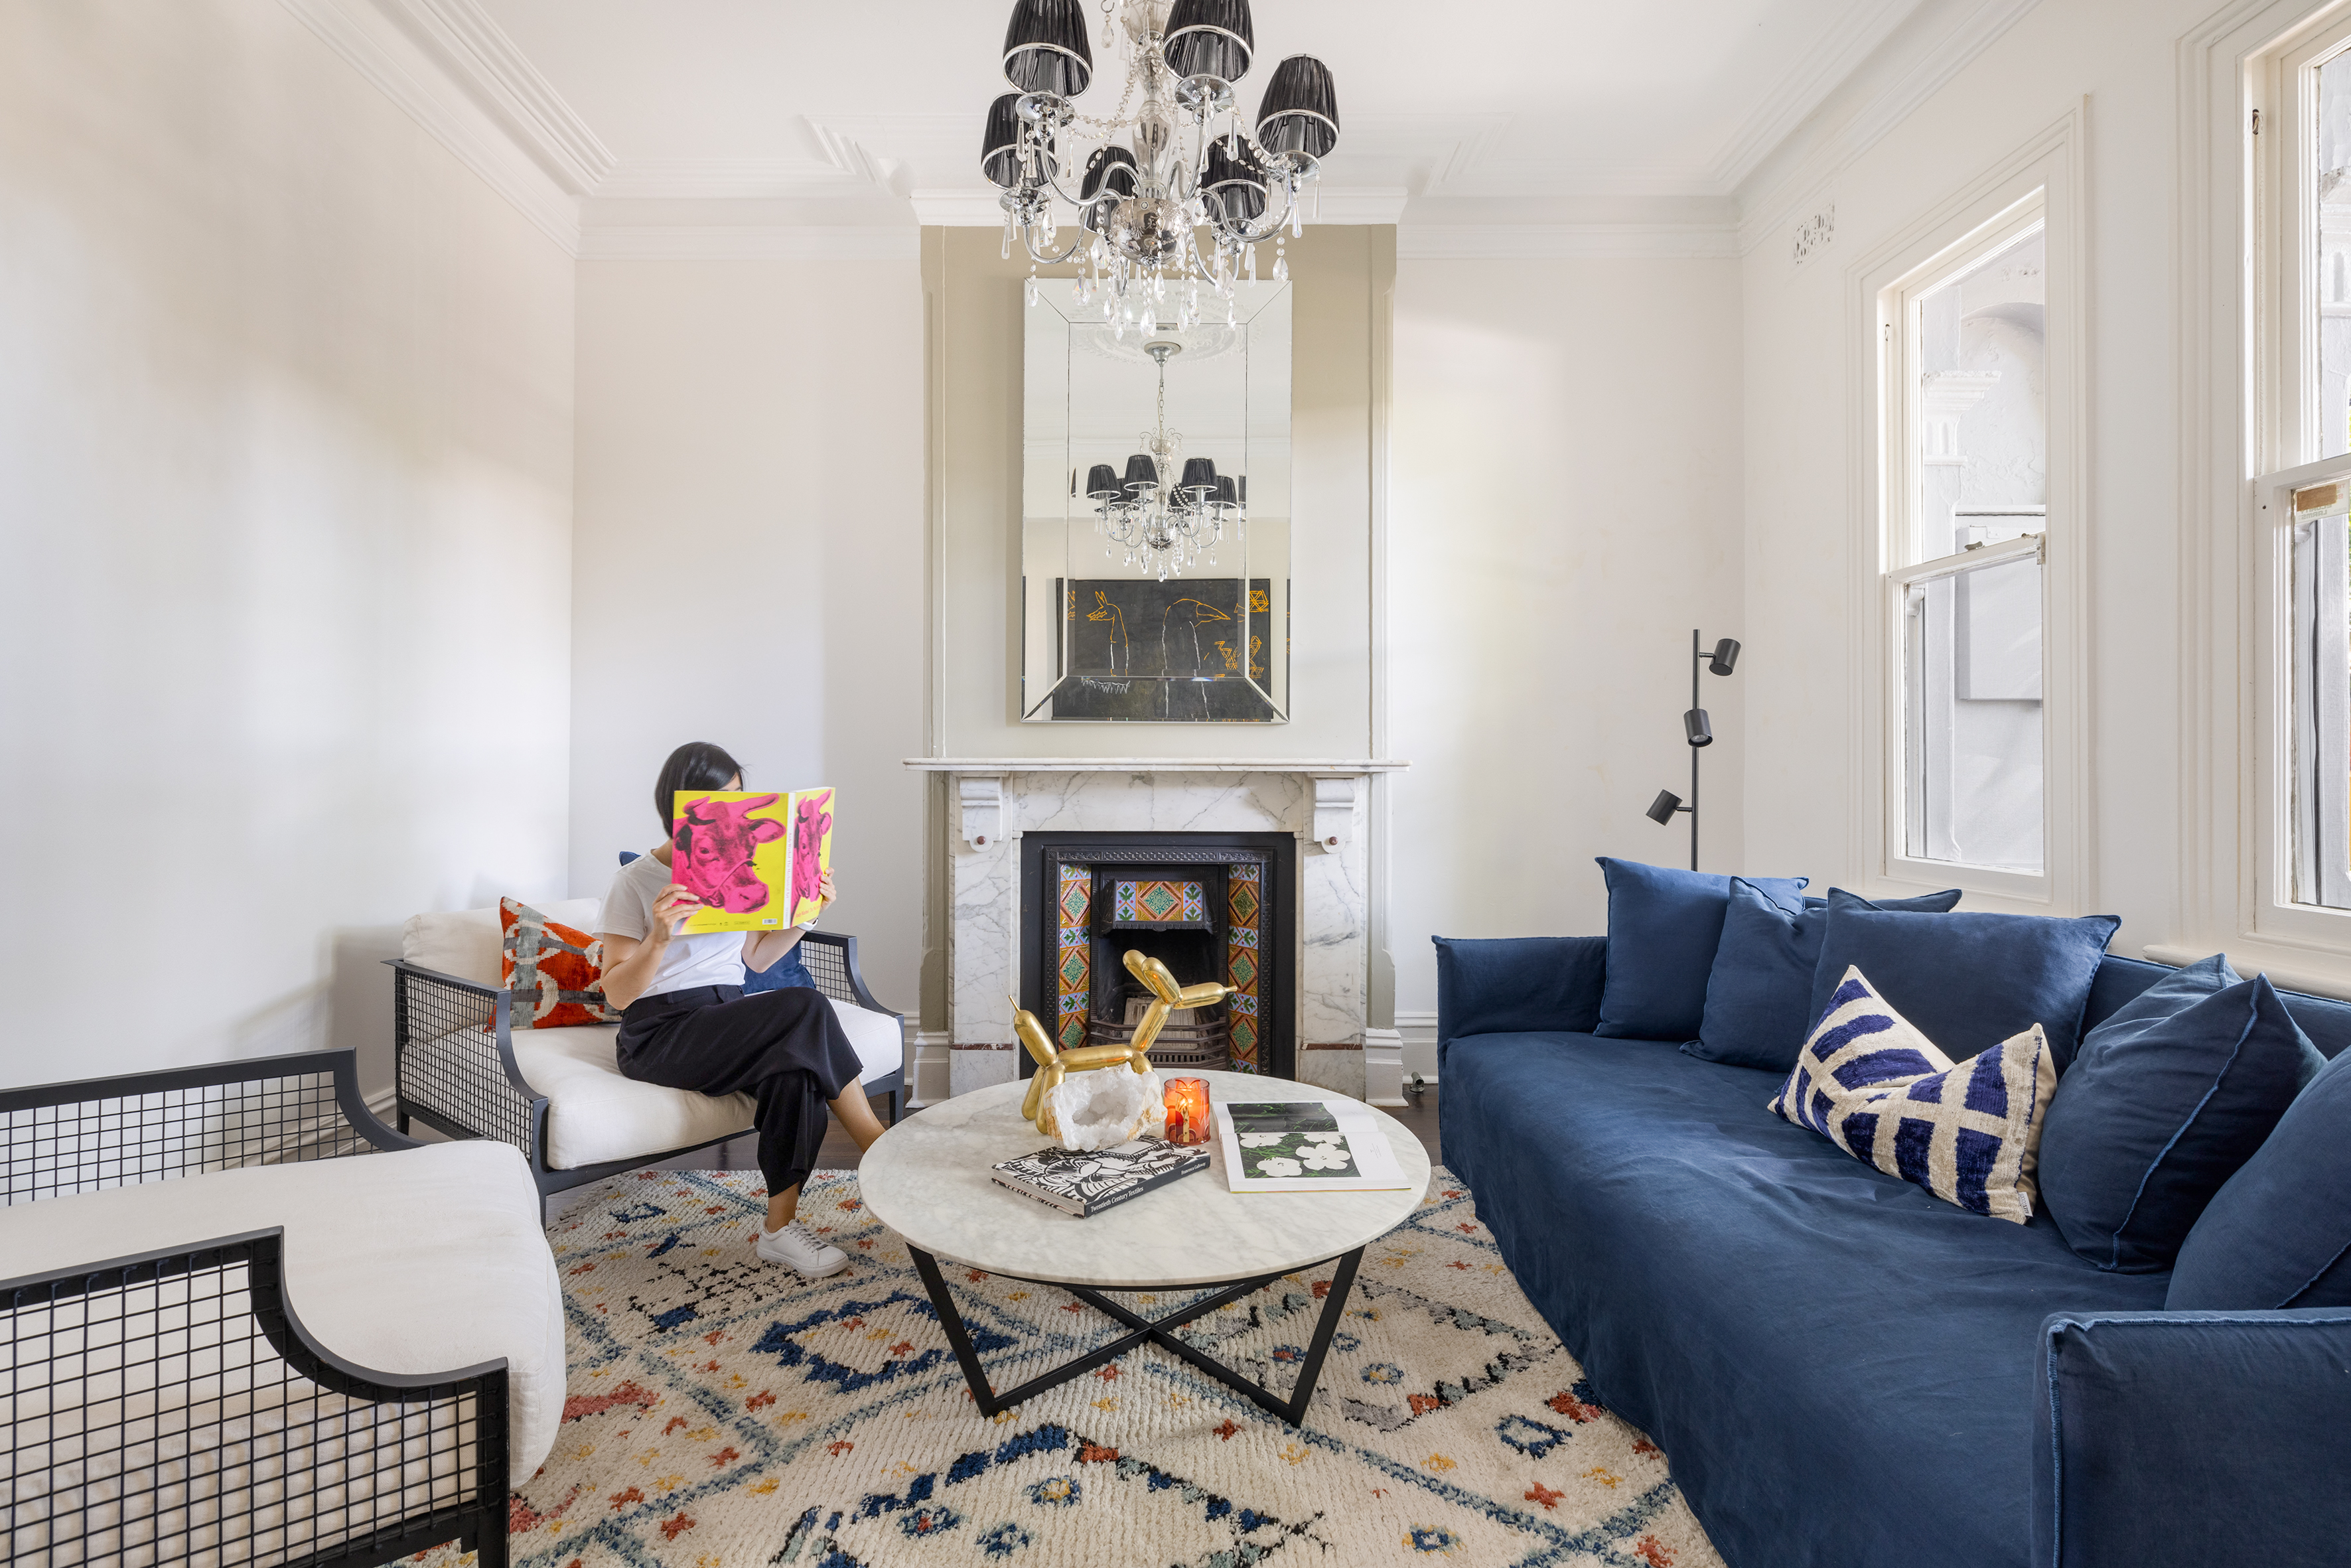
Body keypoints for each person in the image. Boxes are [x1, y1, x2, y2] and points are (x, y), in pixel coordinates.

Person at [598, 742, 887, 1277]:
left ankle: (779, 1230)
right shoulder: (634, 880)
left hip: (726, 1016)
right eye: (719, 798)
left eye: (738, 795)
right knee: (805, 1006)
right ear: (681, 806)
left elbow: (754, 958)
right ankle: (880, 1148)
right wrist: (658, 937)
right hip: (660, 1031)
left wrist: (807, 913)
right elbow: (615, 993)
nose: (733, 808)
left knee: (795, 1072)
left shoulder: (737, 871)